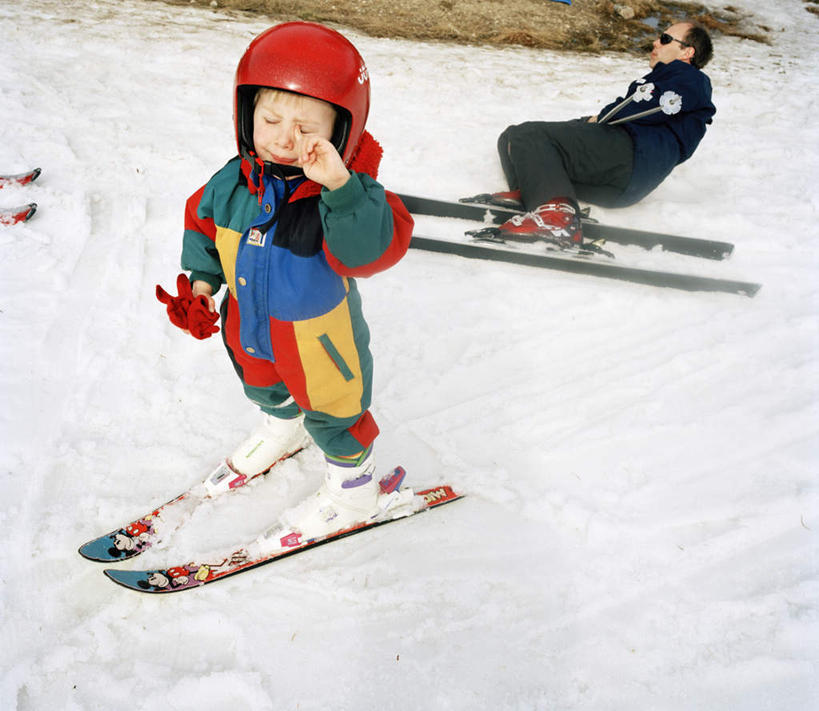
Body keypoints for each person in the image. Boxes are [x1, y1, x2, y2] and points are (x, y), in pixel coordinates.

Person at [155, 22, 414, 551]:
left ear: (342, 131)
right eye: (269, 119)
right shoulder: (232, 181)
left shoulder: (346, 195)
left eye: (305, 127)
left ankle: (353, 493)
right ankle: (282, 430)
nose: (282, 137)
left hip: (320, 342)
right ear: (244, 112)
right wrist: (202, 288)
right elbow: (202, 228)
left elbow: (369, 253)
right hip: (250, 326)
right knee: (264, 383)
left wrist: (340, 187)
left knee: (335, 413)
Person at [486, 22, 715, 246]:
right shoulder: (672, 80)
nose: (656, 42)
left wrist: (601, 118)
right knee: (511, 137)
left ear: (688, 51)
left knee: (529, 135)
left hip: (632, 157)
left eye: (665, 39)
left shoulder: (689, 77)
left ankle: (556, 218)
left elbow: (638, 109)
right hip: (622, 184)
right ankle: (537, 194)